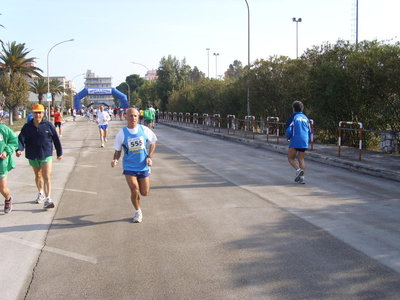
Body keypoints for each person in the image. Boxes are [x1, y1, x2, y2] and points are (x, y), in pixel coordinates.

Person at [111, 108, 157, 223]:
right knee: (134, 190)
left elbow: (153, 142)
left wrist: (149, 157)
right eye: (130, 116)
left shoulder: (144, 129)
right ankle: (138, 212)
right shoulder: (121, 134)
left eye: (135, 116)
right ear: (126, 117)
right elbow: (117, 150)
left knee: (145, 192)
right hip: (129, 167)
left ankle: (138, 207)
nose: (133, 118)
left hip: (143, 166)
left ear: (138, 117)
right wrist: (115, 160)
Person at [16, 104, 63, 209]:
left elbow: (55, 139)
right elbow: (21, 139)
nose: (38, 115)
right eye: (36, 112)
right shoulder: (27, 127)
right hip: (33, 155)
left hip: (46, 154)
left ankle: (48, 199)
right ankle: (40, 193)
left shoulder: (48, 125)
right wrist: (19, 149)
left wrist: (59, 152)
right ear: (32, 113)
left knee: (46, 176)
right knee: (38, 175)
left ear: (43, 113)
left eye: (40, 112)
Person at [285, 100, 311, 184]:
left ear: (294, 109)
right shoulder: (306, 118)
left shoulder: (293, 117)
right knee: (301, 159)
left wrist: (288, 137)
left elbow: (289, 129)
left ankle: (298, 170)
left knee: (290, 158)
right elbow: (309, 130)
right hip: (304, 140)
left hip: (295, 140)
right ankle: (302, 178)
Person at [0, 124, 18, 213]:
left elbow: (14, 140)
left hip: (1, 164)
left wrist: (6, 151)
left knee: (2, 189)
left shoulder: (3, 129)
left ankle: (8, 198)